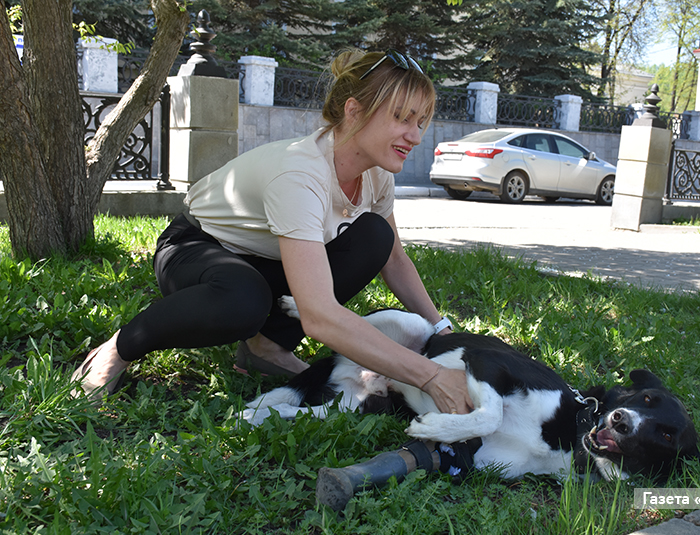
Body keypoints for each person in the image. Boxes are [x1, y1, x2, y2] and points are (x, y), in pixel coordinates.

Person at [72, 49, 472, 416]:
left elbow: (395, 260)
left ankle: (267, 348)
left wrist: (441, 330)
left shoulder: (377, 175)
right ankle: (120, 347)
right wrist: (430, 375)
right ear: (354, 111)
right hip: (198, 247)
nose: (416, 136)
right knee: (244, 301)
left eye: (421, 122)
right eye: (402, 118)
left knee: (375, 238)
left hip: (269, 259)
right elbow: (319, 317)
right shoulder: (300, 174)